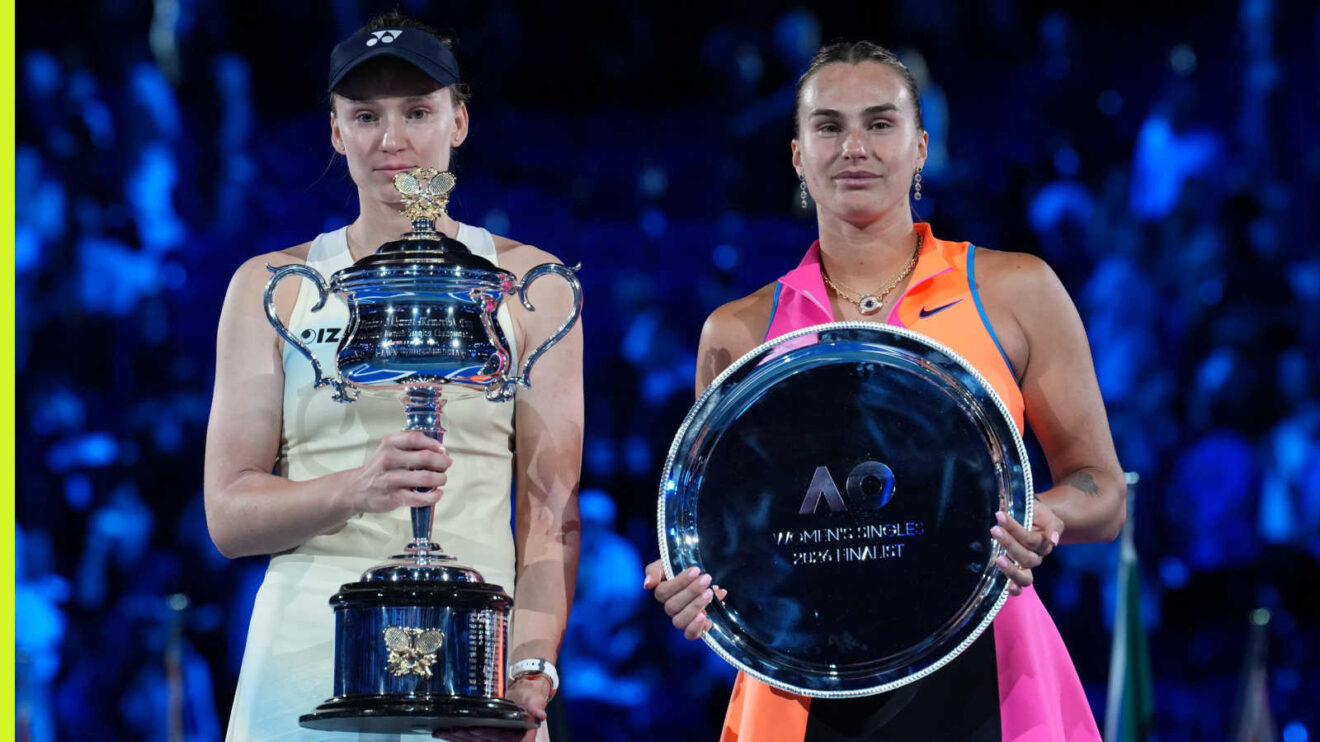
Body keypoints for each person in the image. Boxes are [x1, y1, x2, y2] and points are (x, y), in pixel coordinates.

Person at [643, 41, 1125, 741]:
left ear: (922, 146)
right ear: (797, 155)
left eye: (880, 123)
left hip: (987, 664)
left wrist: (1040, 518)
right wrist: (698, 579)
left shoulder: (1014, 290)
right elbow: (734, 529)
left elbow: (1101, 490)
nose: (854, 148)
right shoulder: (740, 331)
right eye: (829, 126)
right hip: (804, 687)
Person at [204, 12, 582, 742]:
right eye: (366, 116)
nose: (392, 140)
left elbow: (551, 512)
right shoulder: (272, 288)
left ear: (459, 120)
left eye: (417, 112)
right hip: (304, 659)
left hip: (476, 665)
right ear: (336, 131)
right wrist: (357, 487)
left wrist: (532, 667)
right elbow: (227, 516)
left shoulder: (531, 285)